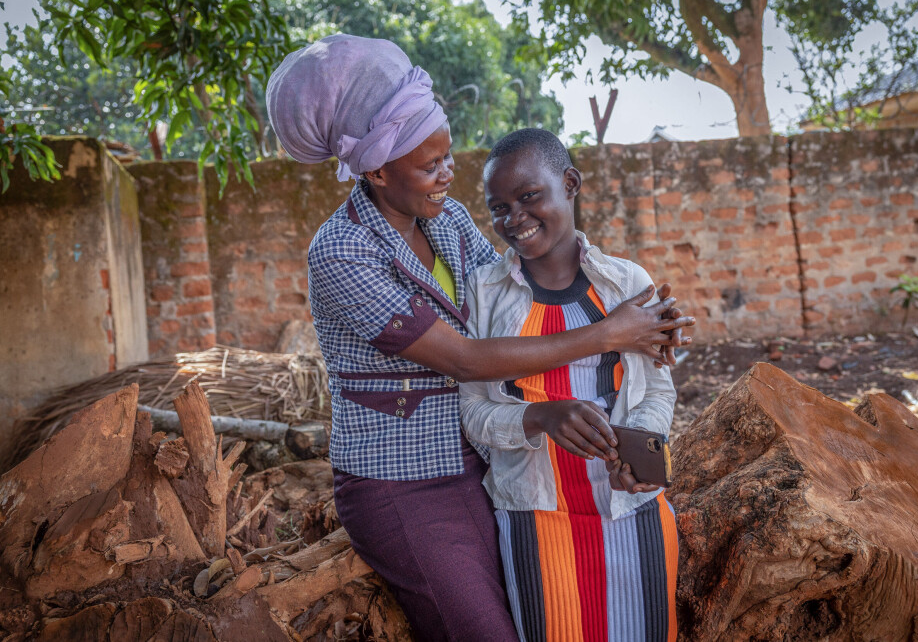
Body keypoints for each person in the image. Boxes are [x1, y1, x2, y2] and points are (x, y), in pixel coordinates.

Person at [266, 35, 694, 641]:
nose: (448, 174)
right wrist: (609, 332)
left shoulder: (449, 220)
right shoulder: (341, 251)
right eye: (430, 165)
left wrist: (649, 326)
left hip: (485, 462)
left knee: (549, 616)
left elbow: (514, 304)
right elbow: (465, 358)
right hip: (404, 483)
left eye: (447, 156)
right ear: (378, 171)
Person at [460, 128, 681, 642]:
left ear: (570, 184)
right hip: (536, 517)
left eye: (529, 196)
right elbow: (472, 413)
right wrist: (539, 416)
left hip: (631, 507)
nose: (514, 218)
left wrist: (640, 456)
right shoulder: (485, 294)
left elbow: (657, 390)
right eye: (499, 208)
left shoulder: (626, 284)